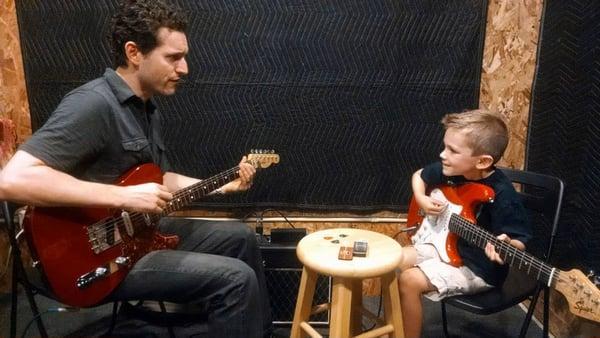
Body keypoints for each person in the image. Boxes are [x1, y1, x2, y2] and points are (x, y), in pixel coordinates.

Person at [0, 0, 271, 337]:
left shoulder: (147, 107)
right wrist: (124, 196)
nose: (184, 68)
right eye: (173, 57)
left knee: (242, 238)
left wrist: (223, 184)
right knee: (236, 279)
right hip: (97, 257)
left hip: (139, 233)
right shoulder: (93, 104)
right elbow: (11, 180)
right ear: (134, 52)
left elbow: (159, 179)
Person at [398, 109, 531, 338]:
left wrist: (509, 245)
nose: (442, 154)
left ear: (482, 161)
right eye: (445, 146)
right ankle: (396, 329)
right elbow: (419, 175)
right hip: (444, 246)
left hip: (477, 267)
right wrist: (421, 198)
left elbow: (519, 240)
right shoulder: (453, 170)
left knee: (409, 280)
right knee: (392, 259)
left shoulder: (502, 196)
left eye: (452, 150)